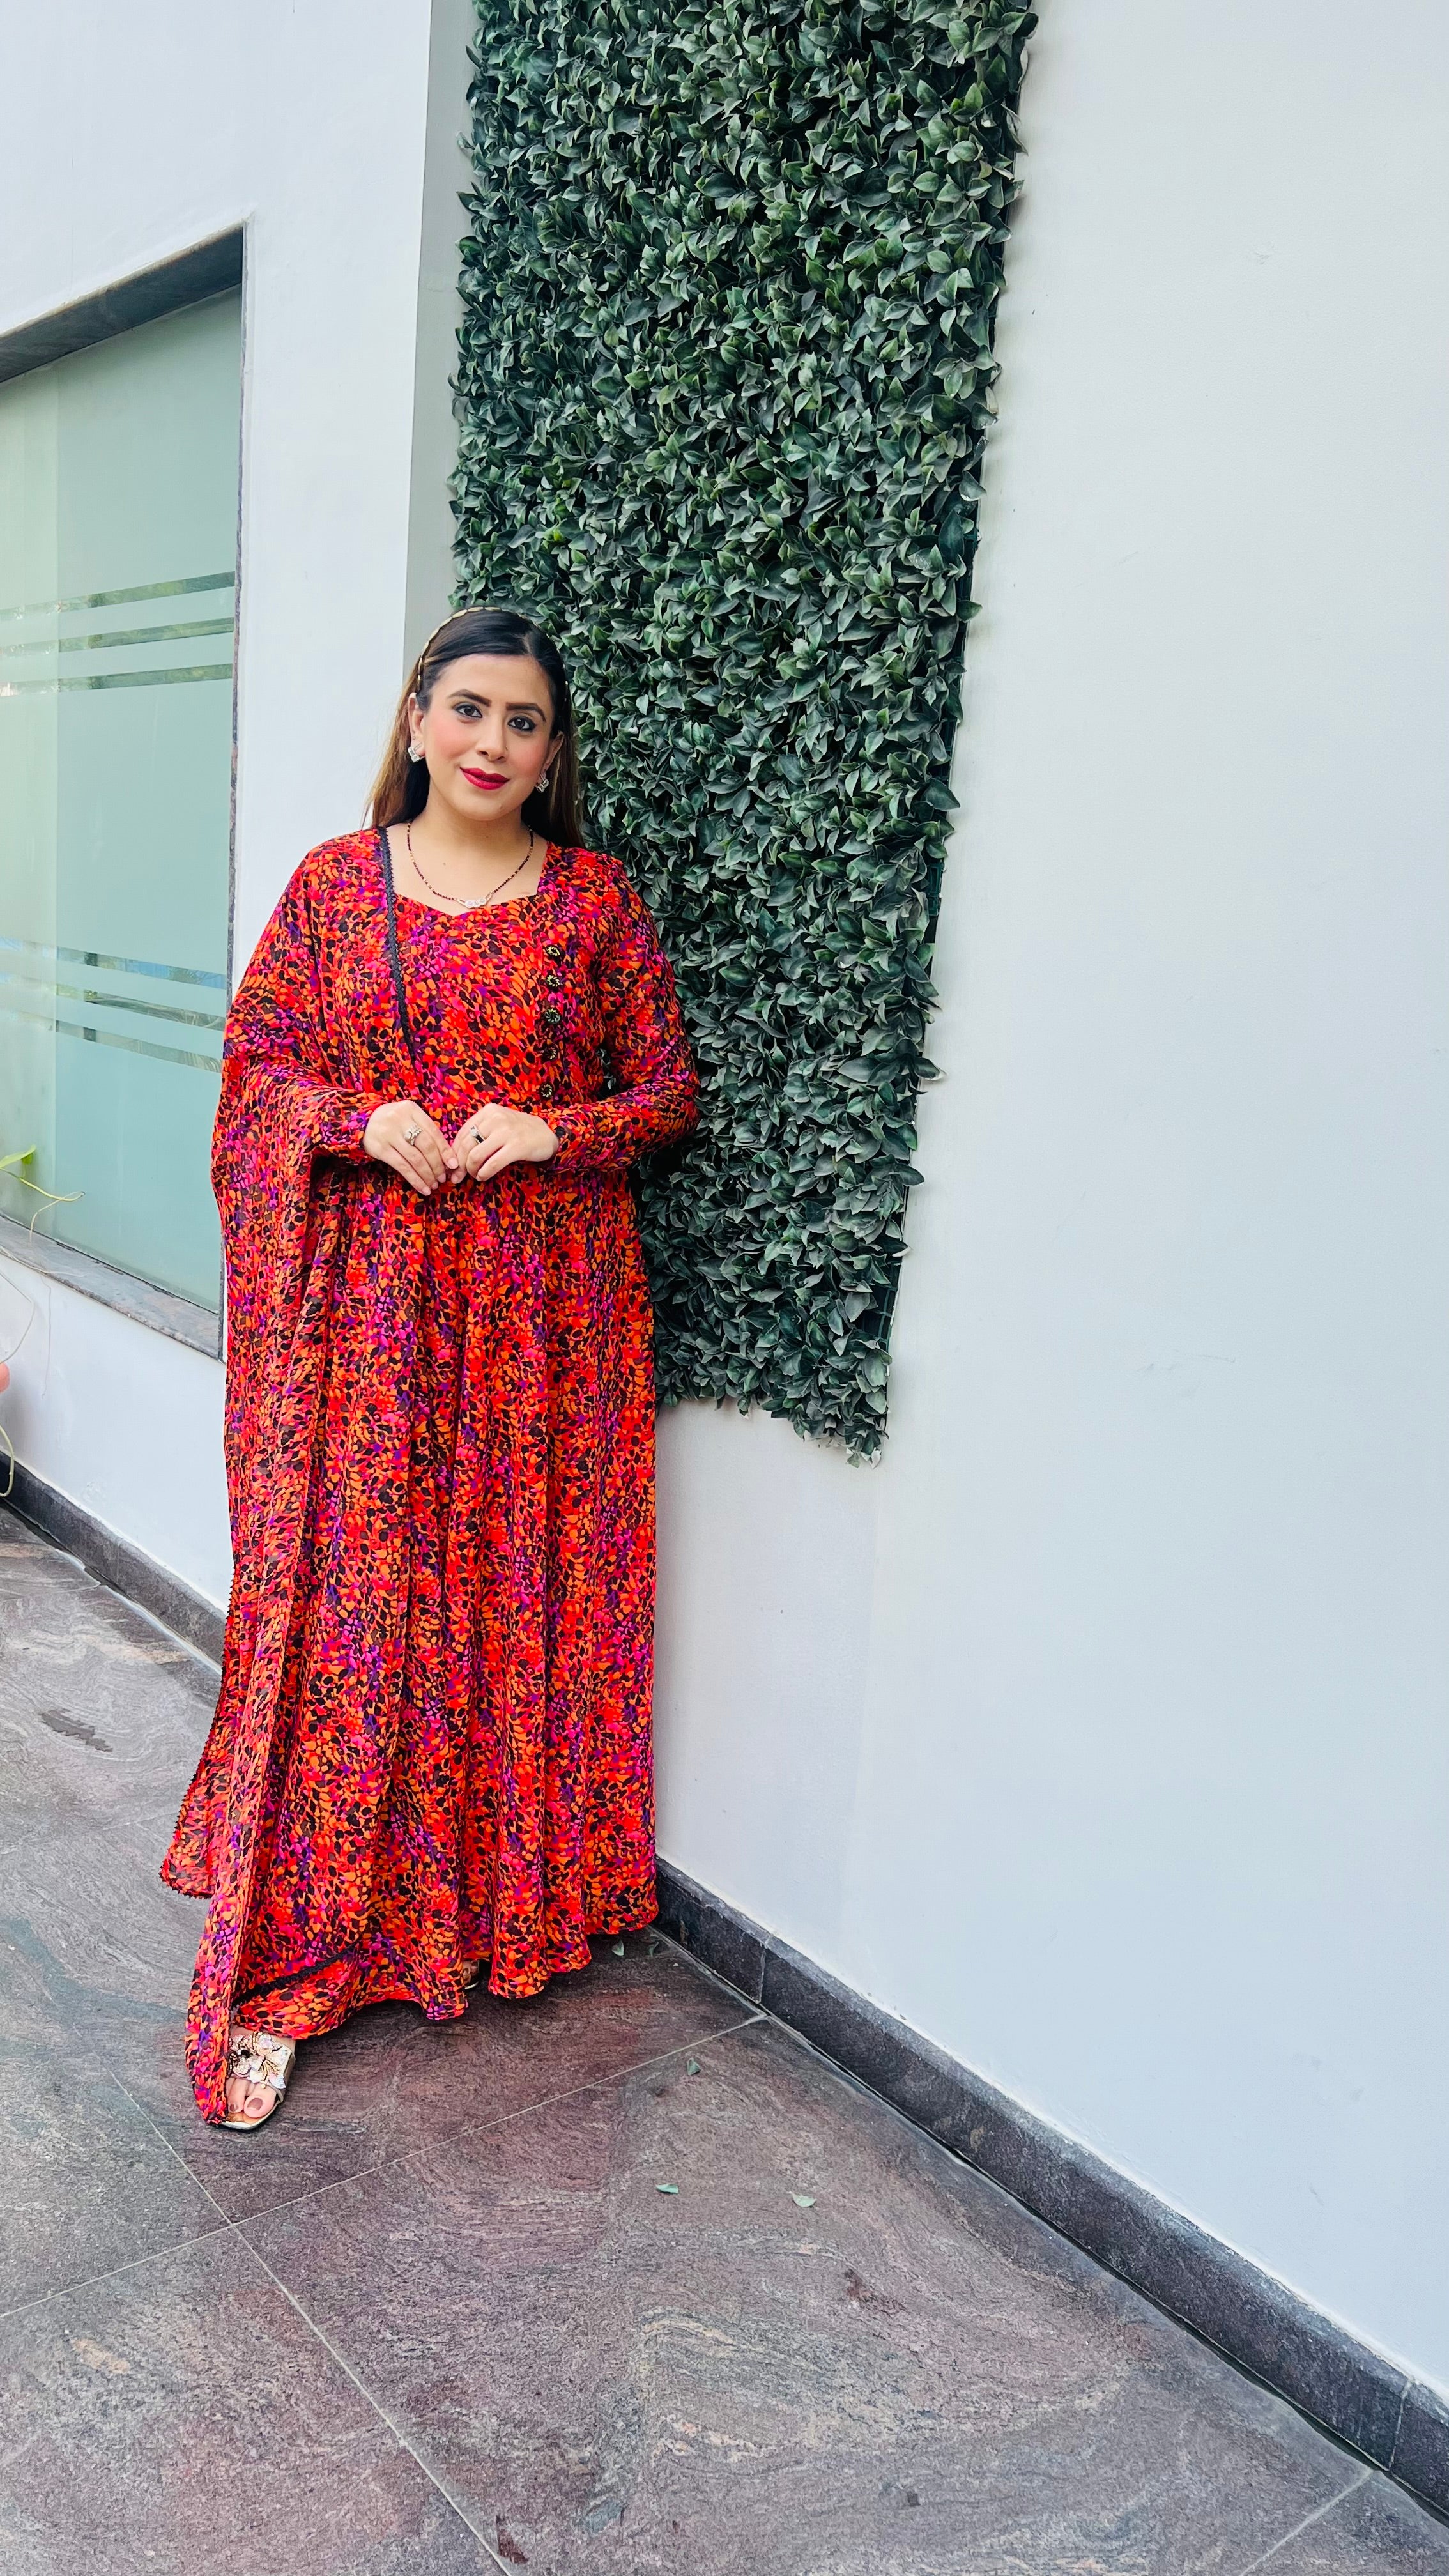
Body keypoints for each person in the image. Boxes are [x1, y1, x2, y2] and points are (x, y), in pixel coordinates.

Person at [162, 606, 698, 2128]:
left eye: (525, 724)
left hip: (541, 1331)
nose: (492, 744)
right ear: (414, 720)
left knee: (511, 1597)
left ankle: (487, 1907)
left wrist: (556, 1129)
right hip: (368, 1328)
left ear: (551, 754)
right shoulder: (337, 890)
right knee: (353, 1612)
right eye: (469, 710)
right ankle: (301, 1944)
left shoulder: (593, 904)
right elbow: (254, 1070)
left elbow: (667, 1093)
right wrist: (348, 1117)